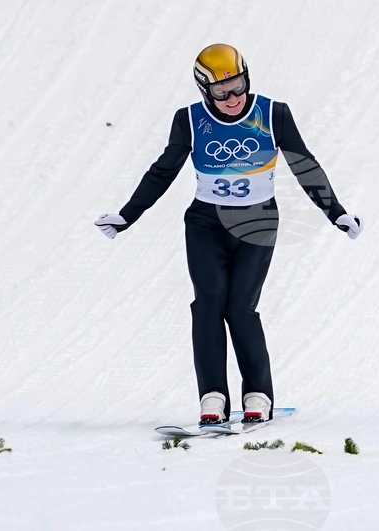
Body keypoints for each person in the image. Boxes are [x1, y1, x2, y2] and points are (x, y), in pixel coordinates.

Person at [95, 43, 363, 425]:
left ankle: (257, 394)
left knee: (239, 308)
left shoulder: (273, 114)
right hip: (205, 224)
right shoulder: (188, 119)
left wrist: (335, 212)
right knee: (207, 305)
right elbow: (162, 171)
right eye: (221, 93)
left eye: (237, 86)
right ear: (205, 91)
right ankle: (212, 398)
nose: (232, 98)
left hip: (257, 223)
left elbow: (306, 166)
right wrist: (126, 216)